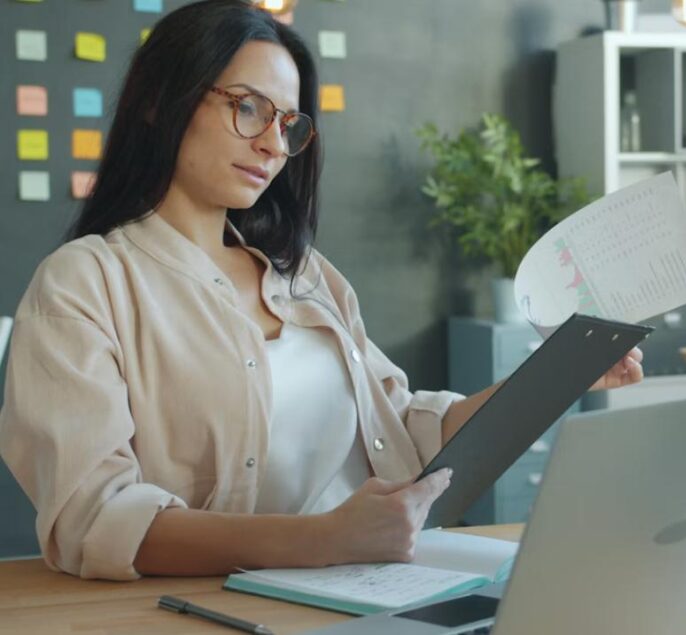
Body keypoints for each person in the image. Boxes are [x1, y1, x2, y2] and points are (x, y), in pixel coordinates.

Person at [0, 0, 643, 582]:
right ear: (160, 99)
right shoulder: (84, 284)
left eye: (287, 123)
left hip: (377, 583)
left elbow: (409, 431)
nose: (271, 145)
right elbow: (95, 519)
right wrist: (325, 539)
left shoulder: (303, 274)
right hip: (230, 606)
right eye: (247, 106)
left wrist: (558, 375)